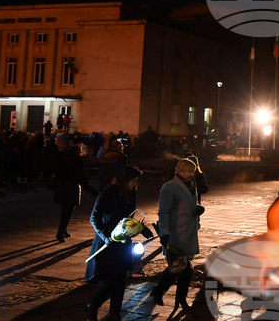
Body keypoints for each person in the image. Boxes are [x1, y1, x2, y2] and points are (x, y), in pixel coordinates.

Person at [84, 166, 144, 321]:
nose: (135, 184)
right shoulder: (107, 193)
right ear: (125, 179)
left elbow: (129, 217)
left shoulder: (131, 194)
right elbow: (94, 218)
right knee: (111, 280)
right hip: (108, 243)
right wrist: (105, 237)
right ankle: (93, 305)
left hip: (123, 243)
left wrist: (140, 228)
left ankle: (115, 312)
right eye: (133, 181)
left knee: (121, 280)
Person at [150, 159, 201, 310]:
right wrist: (164, 232)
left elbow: (191, 204)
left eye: (193, 172)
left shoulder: (192, 185)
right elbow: (163, 212)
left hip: (189, 230)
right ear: (179, 171)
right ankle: (177, 298)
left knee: (179, 268)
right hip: (176, 233)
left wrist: (198, 212)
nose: (192, 175)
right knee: (182, 268)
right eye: (189, 172)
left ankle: (162, 293)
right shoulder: (169, 187)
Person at [52, 137, 97, 242]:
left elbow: (56, 171)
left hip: (61, 186)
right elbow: (81, 177)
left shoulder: (62, 157)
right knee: (68, 211)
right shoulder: (77, 160)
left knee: (64, 210)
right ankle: (60, 232)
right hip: (71, 187)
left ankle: (64, 230)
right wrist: (92, 190)